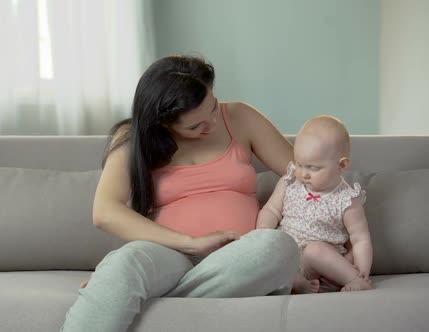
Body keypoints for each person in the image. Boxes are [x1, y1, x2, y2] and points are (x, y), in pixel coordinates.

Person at [60, 55, 301, 332]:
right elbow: (105, 212)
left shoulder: (240, 117)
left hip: (237, 261)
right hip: (167, 255)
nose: (211, 123)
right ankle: (125, 285)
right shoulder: (133, 137)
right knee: (127, 262)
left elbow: (307, 178)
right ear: (164, 123)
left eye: (212, 107)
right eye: (194, 126)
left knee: (278, 247)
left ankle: (141, 298)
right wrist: (189, 243)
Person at [256, 115, 373, 293]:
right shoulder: (289, 182)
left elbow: (360, 239)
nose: (304, 173)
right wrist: (263, 233)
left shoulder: (346, 199)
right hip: (287, 256)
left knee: (315, 251)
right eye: (300, 164)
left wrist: (362, 272)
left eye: (313, 168)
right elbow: (271, 210)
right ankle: (295, 283)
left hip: (322, 263)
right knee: (264, 257)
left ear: (341, 165)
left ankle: (353, 279)